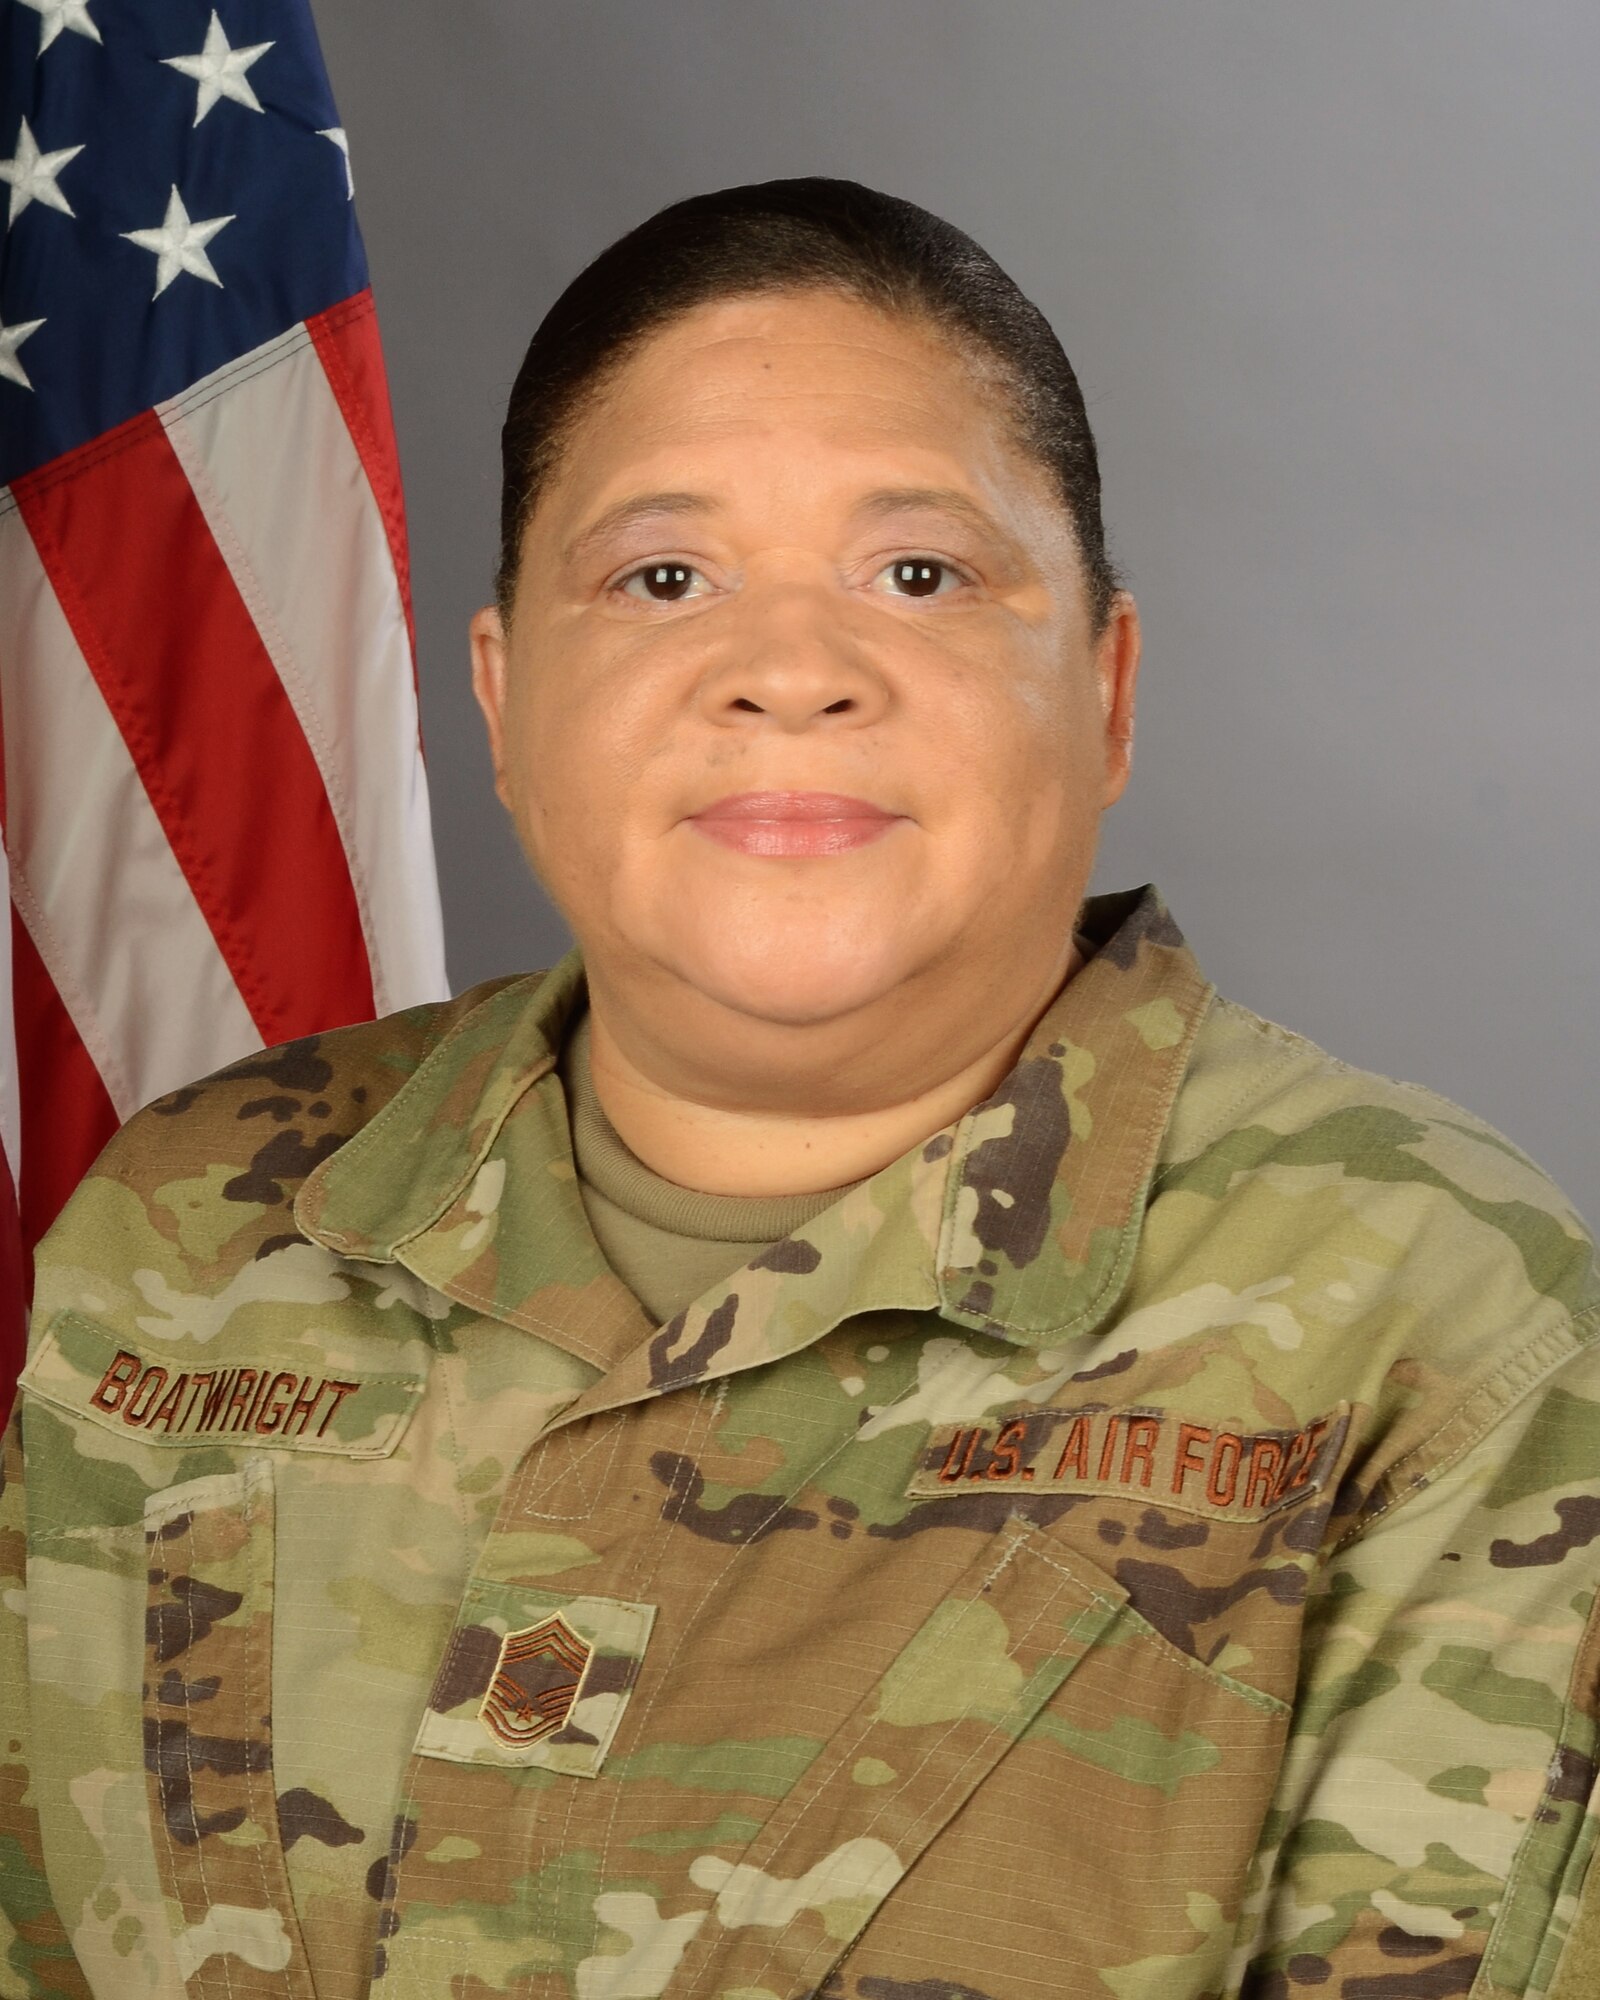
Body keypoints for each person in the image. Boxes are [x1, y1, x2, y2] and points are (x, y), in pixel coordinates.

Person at [2, 177, 1596, 2000]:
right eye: (661, 576)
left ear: (1109, 686)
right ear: (506, 708)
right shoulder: (191, 1230)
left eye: (919, 573)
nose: (786, 672)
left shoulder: (1435, 1323)